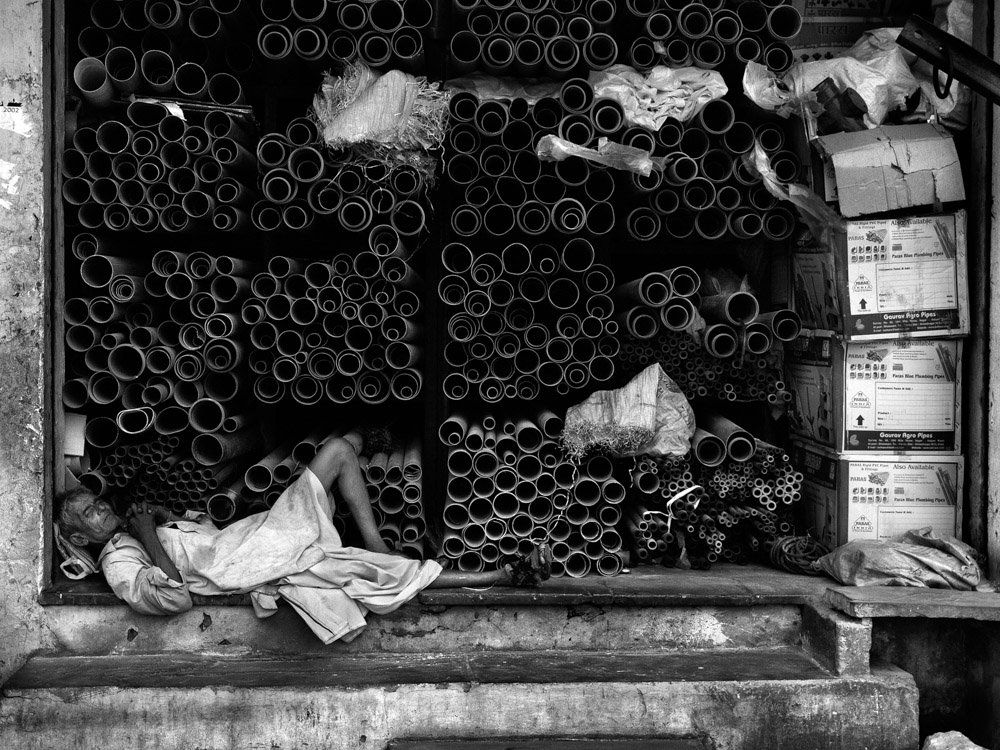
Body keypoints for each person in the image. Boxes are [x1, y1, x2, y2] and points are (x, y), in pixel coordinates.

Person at [57, 436, 552, 643]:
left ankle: (375, 541)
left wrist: (167, 520)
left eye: (96, 501)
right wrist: (149, 536)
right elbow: (176, 597)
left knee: (338, 451)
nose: (102, 508)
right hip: (253, 562)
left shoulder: (136, 530)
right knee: (370, 573)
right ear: (80, 536)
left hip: (254, 540)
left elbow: (204, 538)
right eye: (89, 514)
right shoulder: (118, 562)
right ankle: (502, 573)